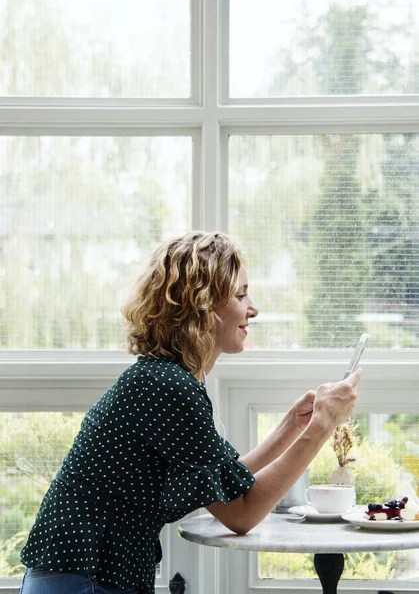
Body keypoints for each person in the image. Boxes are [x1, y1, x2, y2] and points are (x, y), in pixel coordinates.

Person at [19, 231, 361, 594]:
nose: (253, 309)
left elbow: (223, 481)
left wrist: (293, 425)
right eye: (241, 294)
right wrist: (322, 427)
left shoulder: (163, 377)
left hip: (84, 575)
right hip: (84, 578)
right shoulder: (167, 385)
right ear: (202, 303)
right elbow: (241, 513)